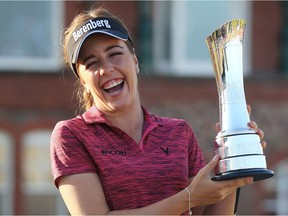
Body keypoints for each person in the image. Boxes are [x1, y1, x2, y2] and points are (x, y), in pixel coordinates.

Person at [50, 6, 267, 215]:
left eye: (115, 53)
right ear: (83, 81)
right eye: (92, 63)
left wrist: (231, 169)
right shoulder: (72, 135)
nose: (106, 69)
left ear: (135, 61)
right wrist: (189, 197)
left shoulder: (178, 132)